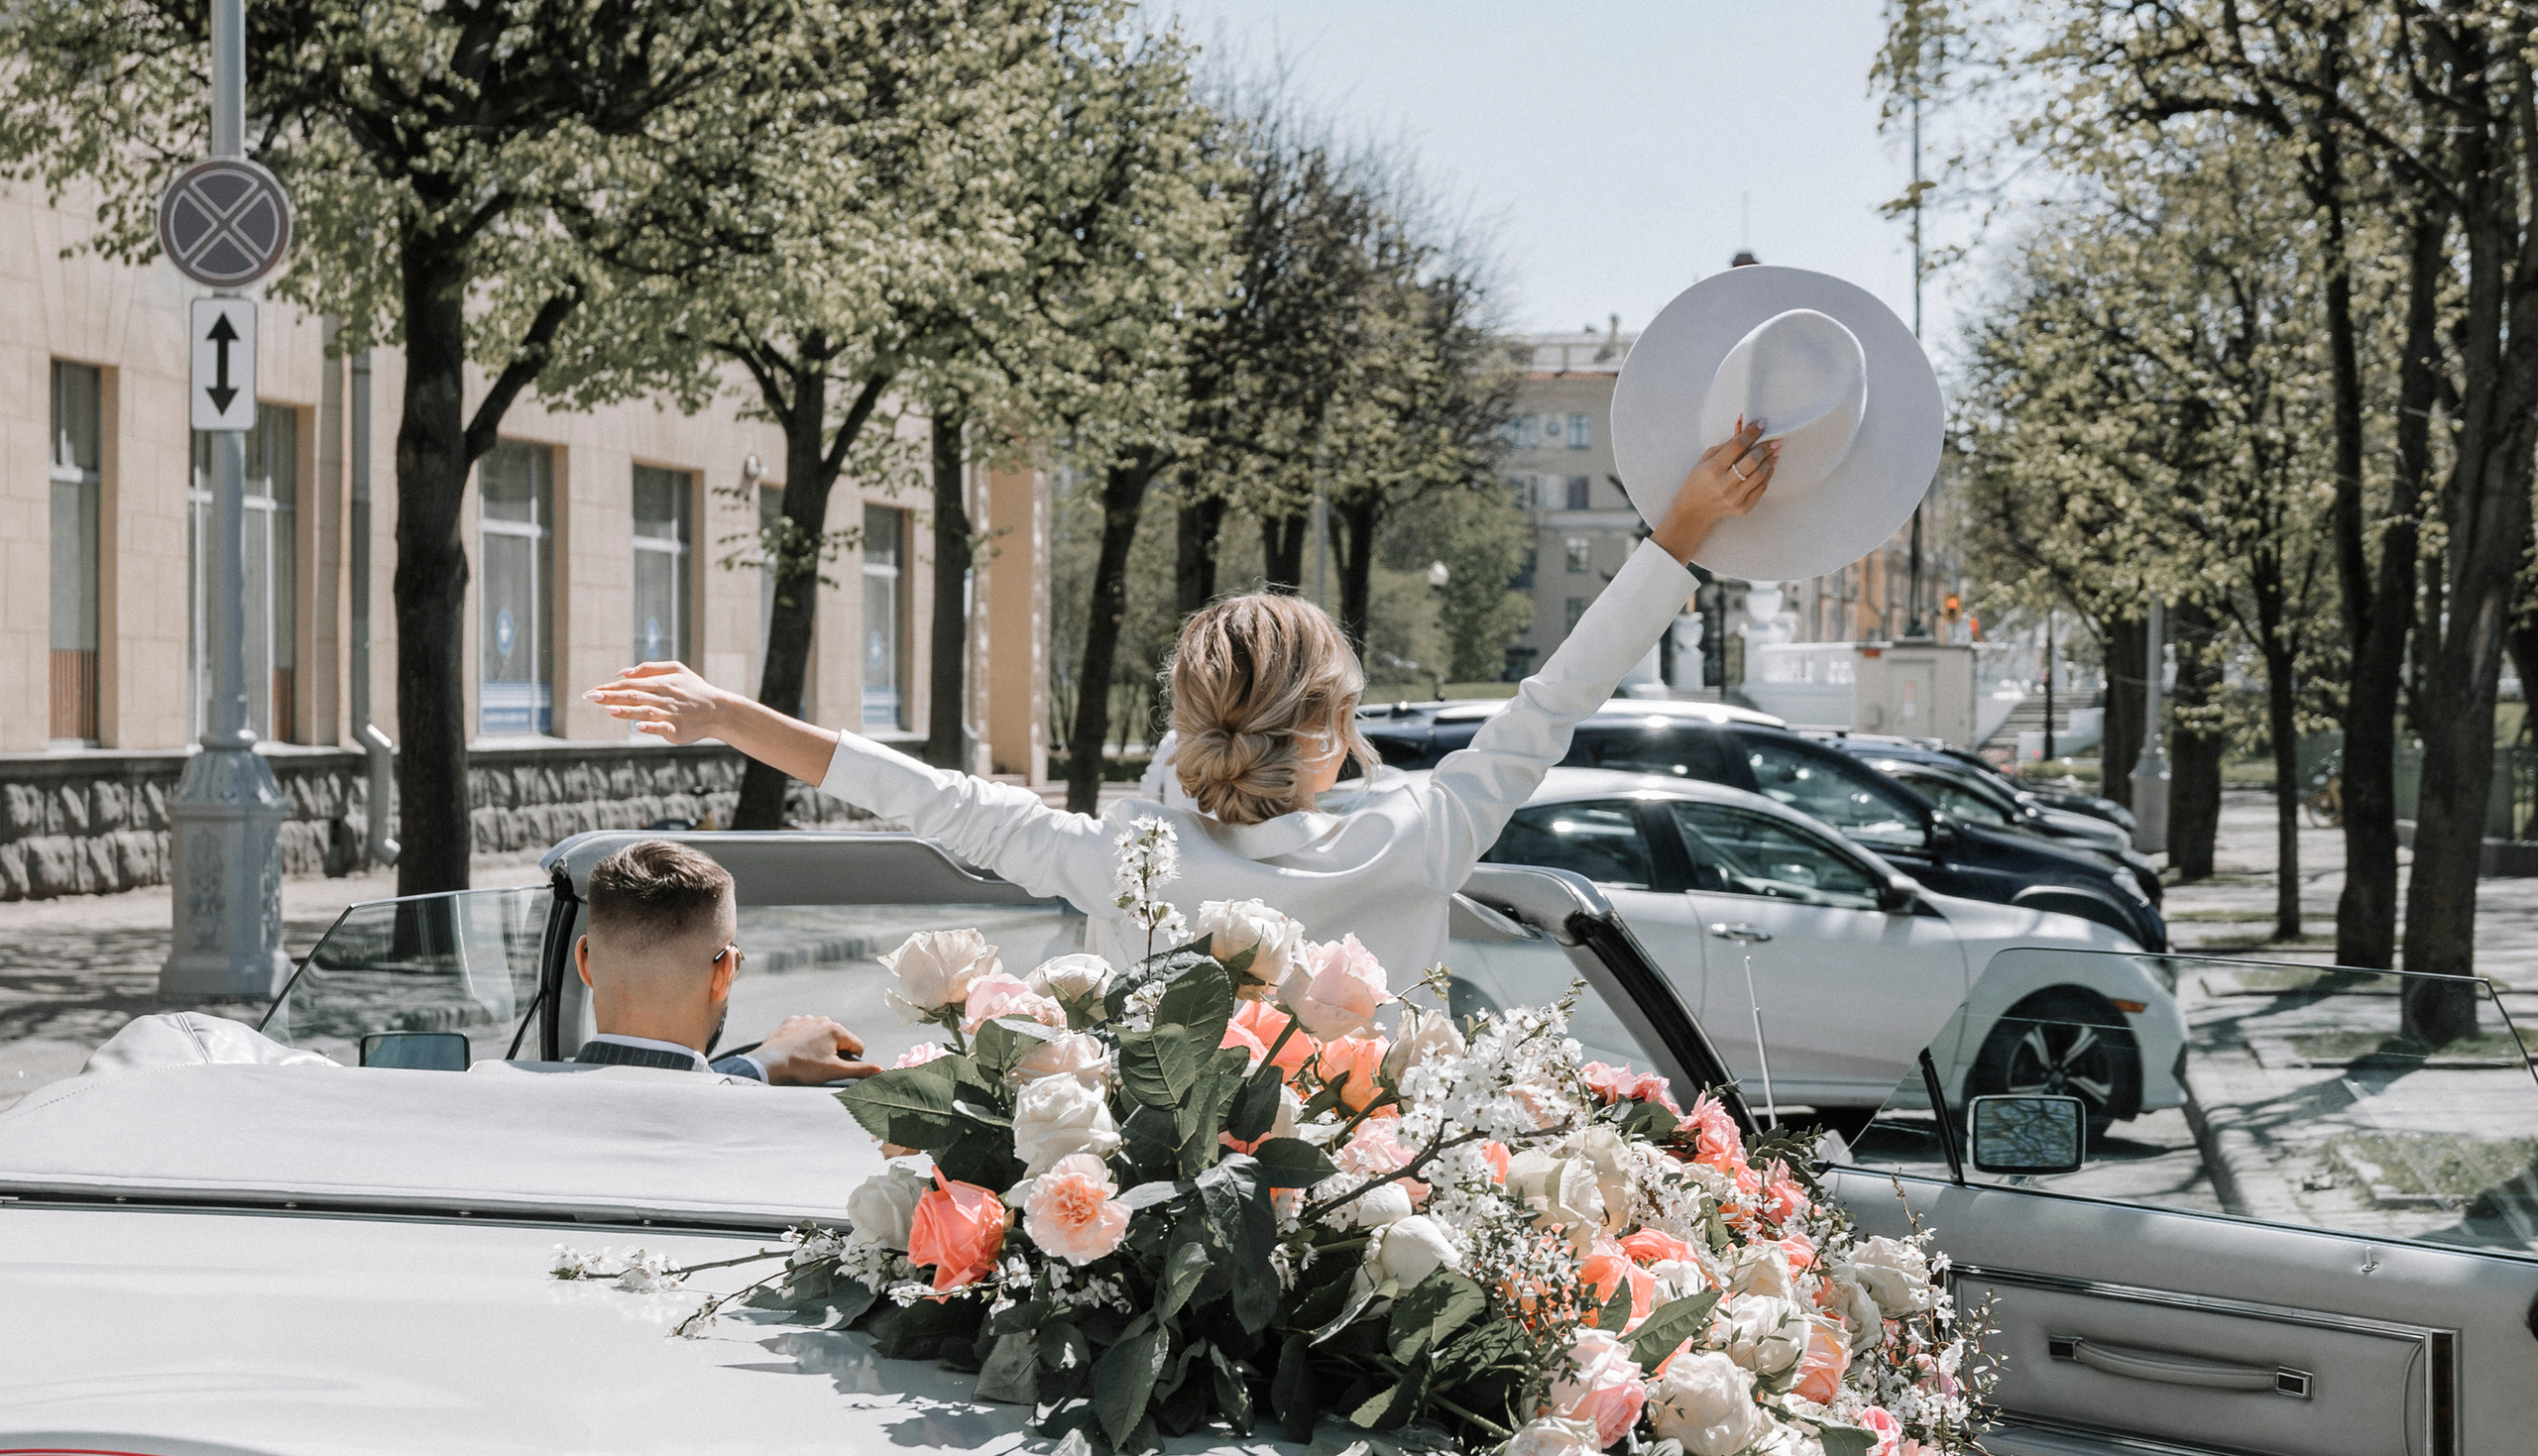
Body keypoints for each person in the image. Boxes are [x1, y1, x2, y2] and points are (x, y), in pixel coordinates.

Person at [585, 426, 1779, 1004]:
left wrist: (729, 715)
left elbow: (929, 798)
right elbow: (1559, 694)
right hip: (1388, 1223)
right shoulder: (1421, 831)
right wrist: (1678, 531)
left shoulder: (1130, 862)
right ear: (1328, 727)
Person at [565, 839, 870, 1083]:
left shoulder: (521, 1105)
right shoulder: (742, 1120)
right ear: (725, 972)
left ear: (584, 962)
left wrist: (764, 1062)